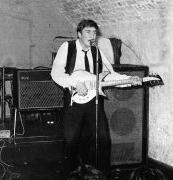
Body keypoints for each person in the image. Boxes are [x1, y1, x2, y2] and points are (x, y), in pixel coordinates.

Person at [50, 19, 141, 179]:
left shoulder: (96, 52)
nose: (92, 35)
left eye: (94, 32)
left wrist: (129, 79)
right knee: (71, 142)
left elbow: (109, 74)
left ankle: (102, 175)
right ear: (79, 34)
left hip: (94, 102)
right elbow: (56, 73)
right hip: (74, 103)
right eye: (88, 32)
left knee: (103, 140)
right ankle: (68, 176)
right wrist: (74, 82)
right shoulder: (68, 47)